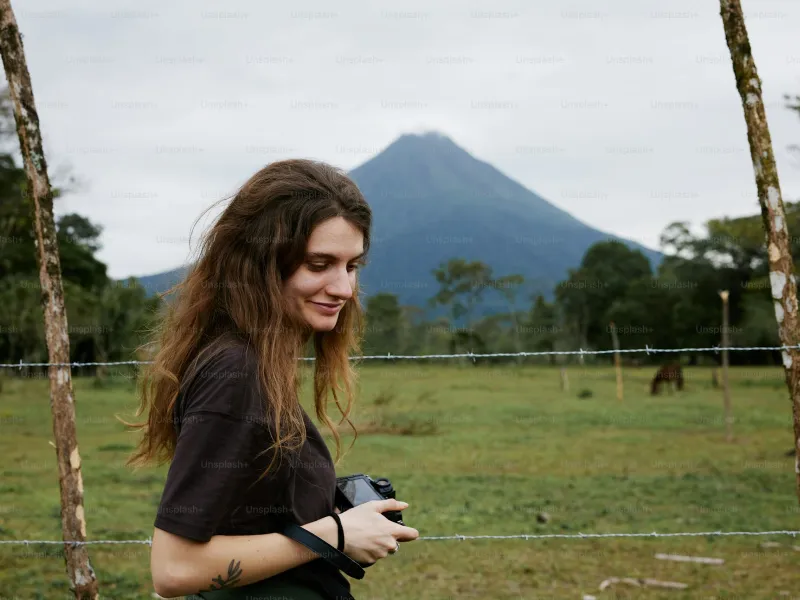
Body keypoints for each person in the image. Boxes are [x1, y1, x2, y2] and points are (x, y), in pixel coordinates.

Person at [124, 159, 419, 599]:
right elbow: (174, 568)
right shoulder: (235, 373)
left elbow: (240, 516)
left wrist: (324, 512)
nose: (343, 288)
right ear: (260, 265)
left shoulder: (257, 363)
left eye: (351, 266)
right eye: (319, 264)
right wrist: (334, 534)